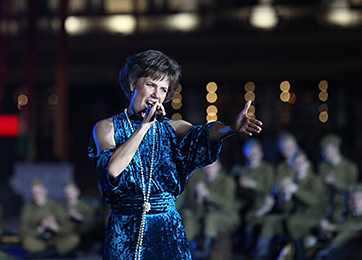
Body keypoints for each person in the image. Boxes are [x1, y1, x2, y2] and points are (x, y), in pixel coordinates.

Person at [88, 50, 262, 260]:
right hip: (124, 230)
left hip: (166, 229)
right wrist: (144, 127)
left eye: (163, 89)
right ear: (134, 83)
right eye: (151, 85)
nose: (156, 95)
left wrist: (231, 127)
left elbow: (204, 134)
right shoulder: (107, 128)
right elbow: (113, 169)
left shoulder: (174, 128)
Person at [178, 160, 239, 260]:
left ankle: (206, 251)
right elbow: (196, 207)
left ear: (219, 166)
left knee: (212, 218)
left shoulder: (227, 181)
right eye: (207, 165)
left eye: (212, 165)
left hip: (226, 216)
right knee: (189, 217)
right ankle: (188, 249)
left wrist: (207, 195)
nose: (209, 167)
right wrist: (199, 199)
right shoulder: (201, 182)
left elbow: (227, 205)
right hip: (205, 216)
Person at [20, 180, 80, 257]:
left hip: (55, 238)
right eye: (34, 193)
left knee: (74, 238)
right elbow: (24, 231)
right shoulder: (28, 208)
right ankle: (52, 253)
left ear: (45, 191)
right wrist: (41, 228)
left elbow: (67, 226)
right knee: (27, 242)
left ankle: (46, 254)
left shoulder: (55, 206)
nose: (36, 195)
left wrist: (55, 227)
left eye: (39, 192)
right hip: (38, 240)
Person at [318, 134, 358, 222]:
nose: (324, 154)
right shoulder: (323, 167)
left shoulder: (350, 167)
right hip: (325, 204)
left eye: (326, 150)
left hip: (343, 204)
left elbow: (352, 189)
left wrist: (335, 182)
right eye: (323, 151)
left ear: (335, 149)